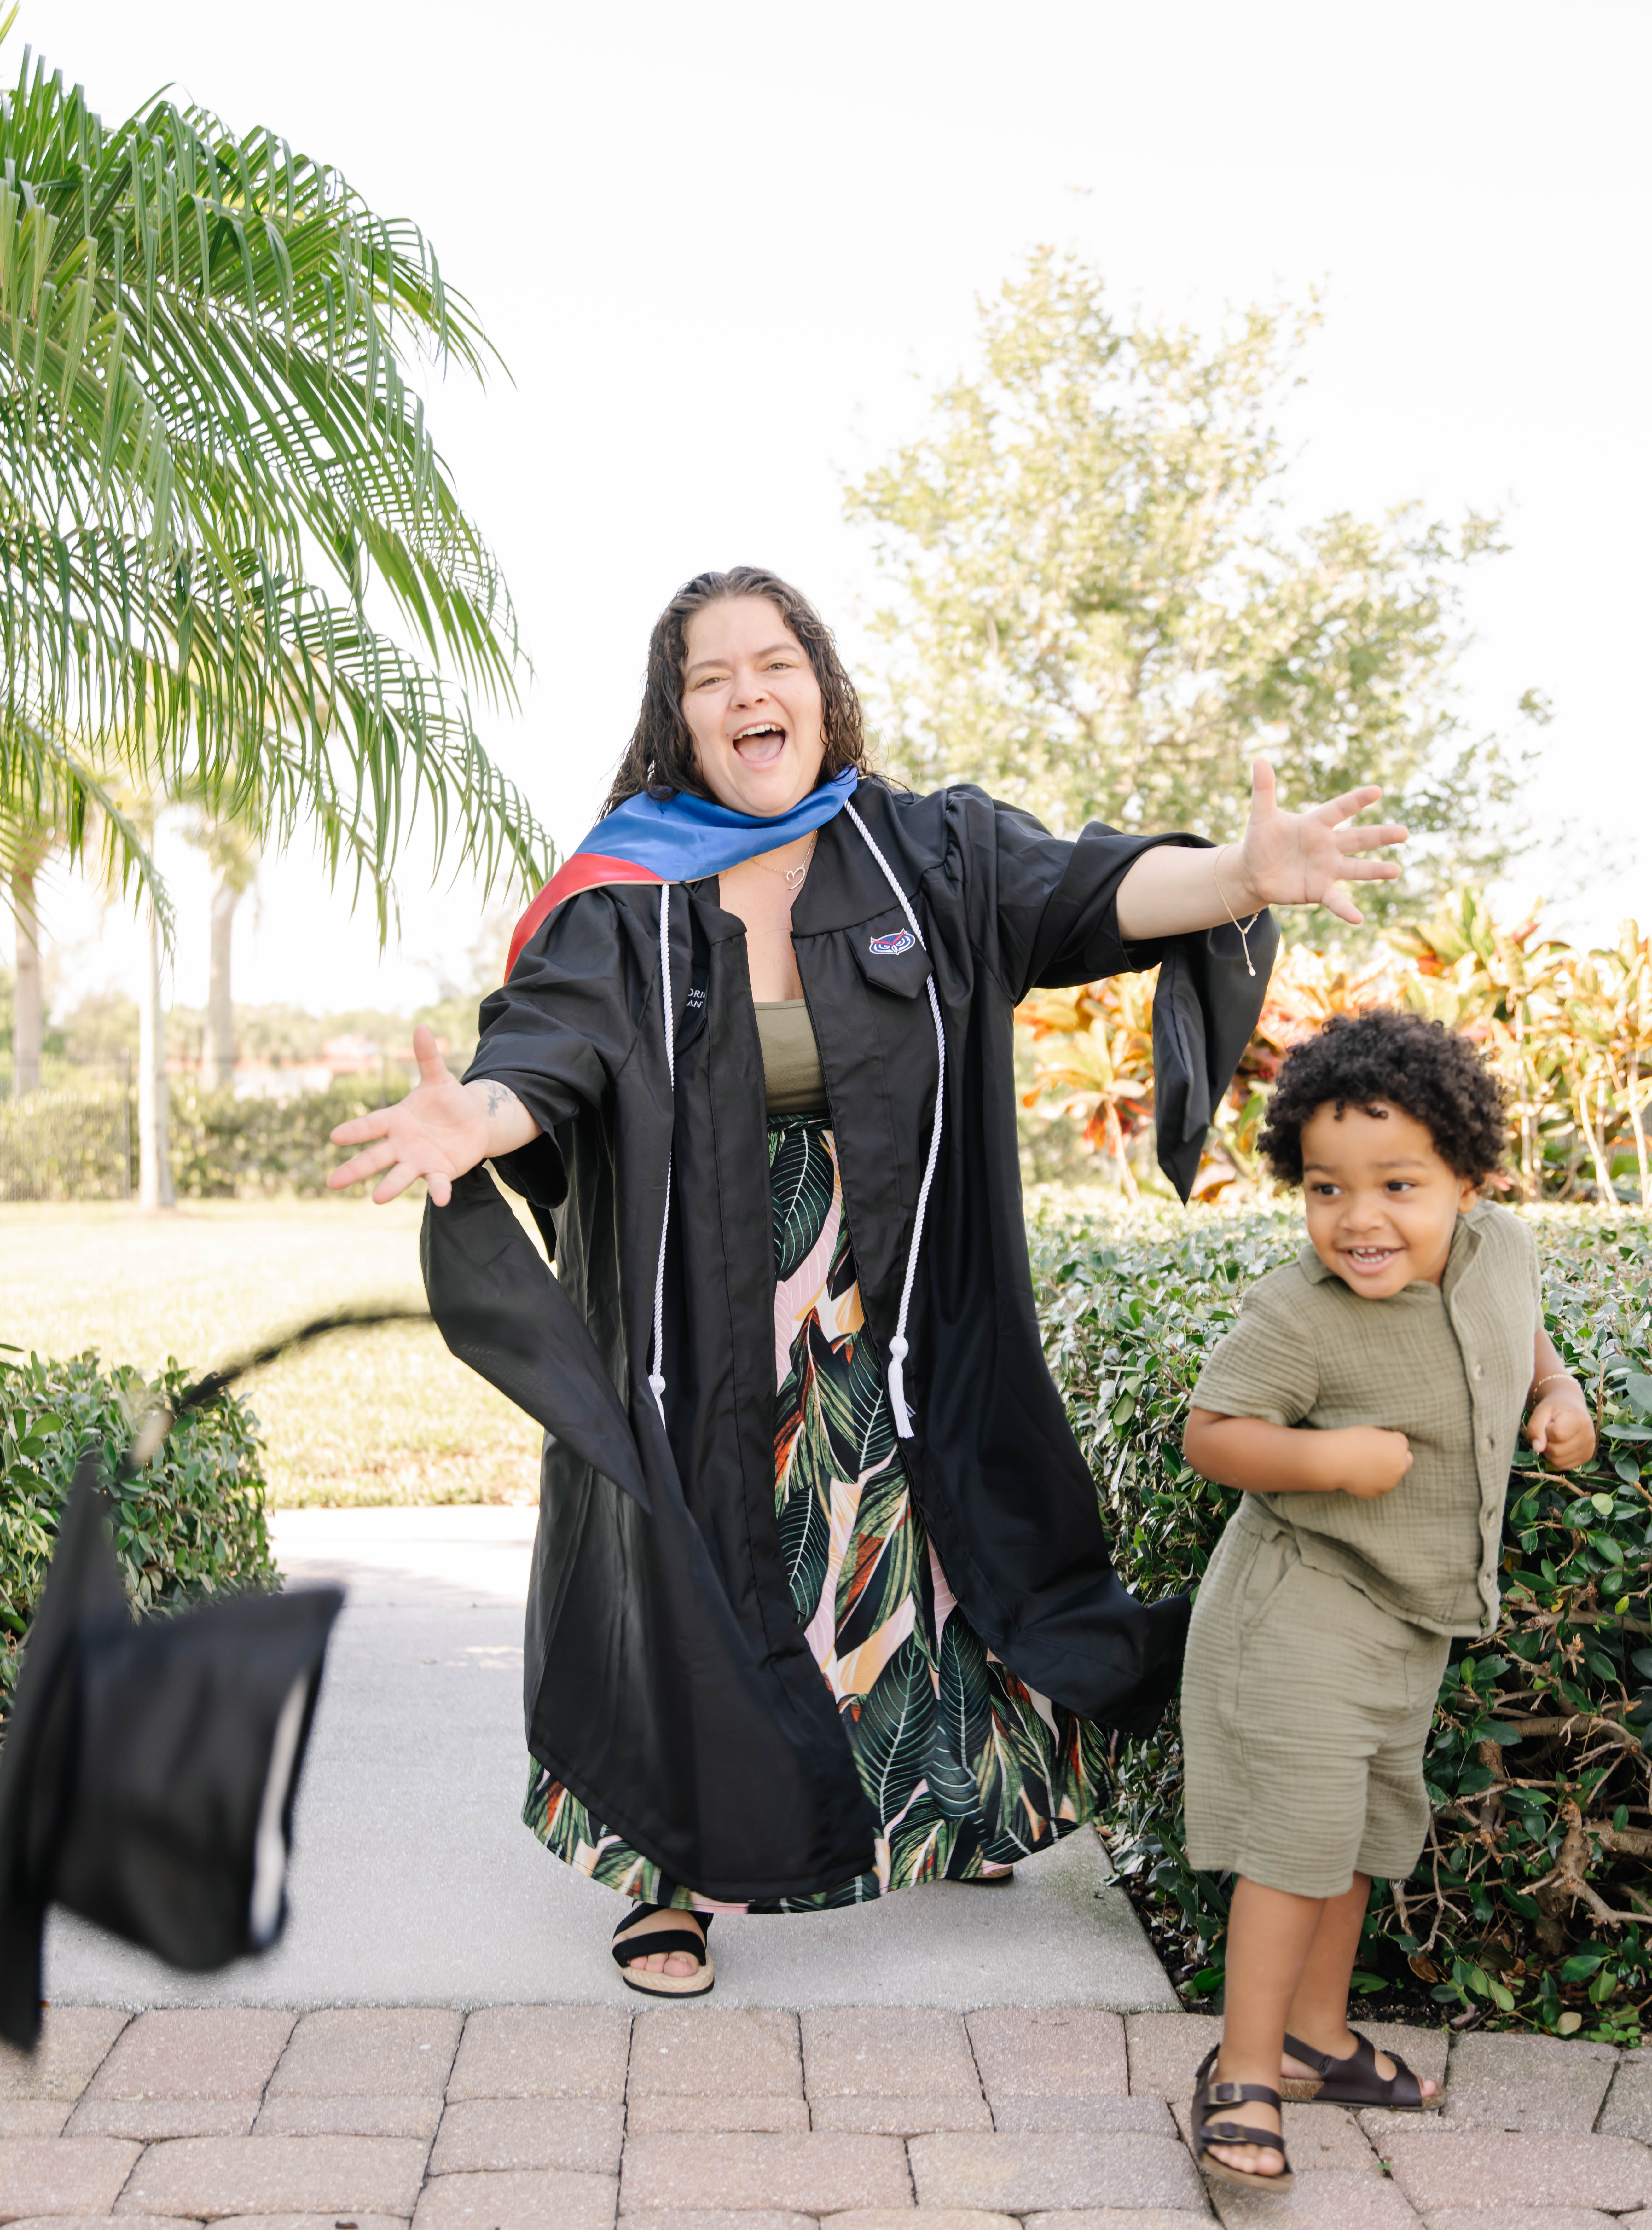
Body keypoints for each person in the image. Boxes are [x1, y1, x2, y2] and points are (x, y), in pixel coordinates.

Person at [329, 565, 1407, 1996]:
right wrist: (479, 1114)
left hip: (898, 1279)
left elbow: (1094, 891)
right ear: (681, 719)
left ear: (822, 694)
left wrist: (1239, 877)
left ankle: (951, 1809)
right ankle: (677, 1878)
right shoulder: (625, 893)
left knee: (916, 1547)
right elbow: (549, 1053)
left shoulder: (924, 850)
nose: (747, 694)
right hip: (696, 1305)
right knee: (703, 1561)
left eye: (772, 664)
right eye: (712, 679)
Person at [1179, 1009, 1597, 2186]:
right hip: (1298, 1613)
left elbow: (1525, 1341)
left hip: (1404, 1621)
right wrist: (1327, 1460)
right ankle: (1243, 2074)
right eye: (1325, 1188)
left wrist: (1557, 1398)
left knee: (1357, 1842)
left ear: (1471, 1180)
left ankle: (1315, 2037)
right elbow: (1211, 1436)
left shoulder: (1502, 1249)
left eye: (1398, 1184)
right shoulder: (1296, 1311)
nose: (1358, 1219)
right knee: (1292, 1849)